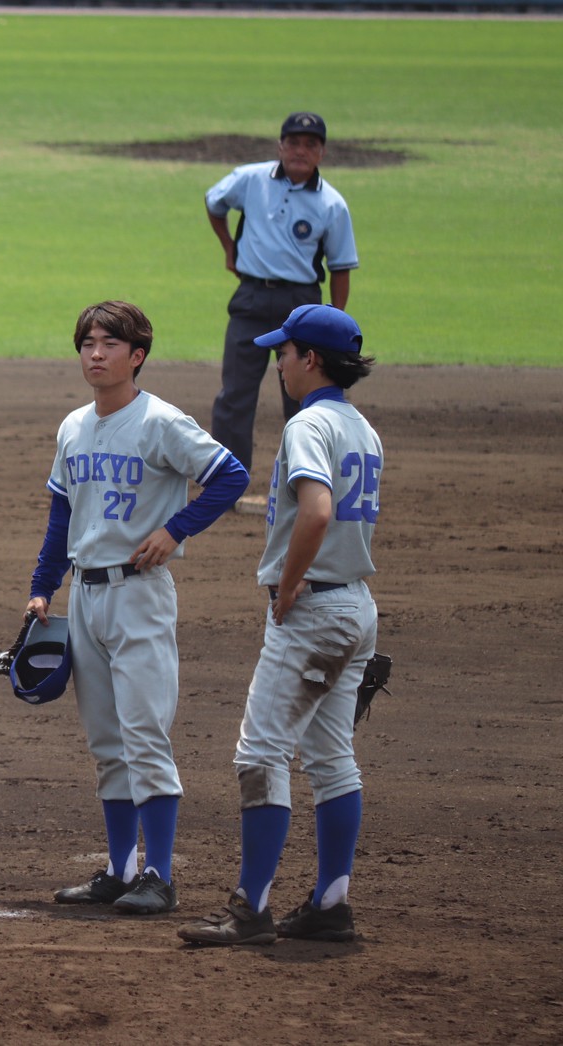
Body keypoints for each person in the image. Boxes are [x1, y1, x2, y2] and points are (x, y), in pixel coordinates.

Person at [28, 302, 248, 917]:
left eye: (109, 343)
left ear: (137, 355)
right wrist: (43, 587)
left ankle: (159, 874)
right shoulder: (73, 427)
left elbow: (229, 475)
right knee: (106, 743)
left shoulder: (161, 422)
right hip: (87, 600)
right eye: (87, 343)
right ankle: (121, 868)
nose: (95, 354)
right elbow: (61, 518)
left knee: (144, 736)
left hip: (139, 598)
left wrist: (176, 530)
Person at [178, 305, 381, 947]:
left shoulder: (309, 425)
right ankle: (331, 903)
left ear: (310, 359)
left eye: (284, 353)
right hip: (356, 609)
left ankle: (252, 909)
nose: (278, 364)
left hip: (316, 612)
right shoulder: (362, 428)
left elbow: (316, 512)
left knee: (260, 754)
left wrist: (290, 582)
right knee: (330, 757)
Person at [206, 112, 358, 474]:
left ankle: (308, 476)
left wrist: (334, 322)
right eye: (292, 142)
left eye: (310, 144)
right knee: (236, 394)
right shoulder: (250, 179)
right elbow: (214, 203)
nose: (300, 151)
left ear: (322, 152)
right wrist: (229, 248)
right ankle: (226, 484)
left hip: (302, 305)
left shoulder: (332, 204)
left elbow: (340, 268)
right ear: (280, 146)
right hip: (251, 298)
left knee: (306, 394)